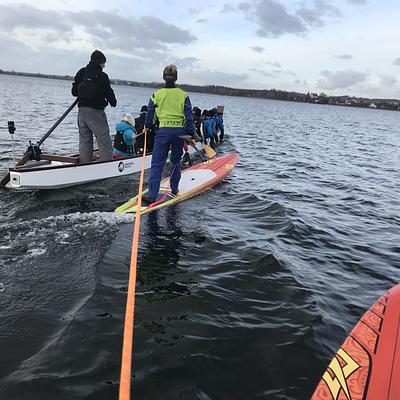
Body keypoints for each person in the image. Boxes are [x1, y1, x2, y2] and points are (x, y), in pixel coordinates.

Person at [141, 64, 194, 205]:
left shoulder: (156, 95)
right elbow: (189, 117)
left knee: (157, 164)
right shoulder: (183, 95)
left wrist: (148, 126)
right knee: (176, 161)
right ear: (176, 78)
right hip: (179, 133)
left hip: (163, 132)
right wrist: (190, 133)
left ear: (164, 77)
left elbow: (150, 113)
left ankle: (152, 194)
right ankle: (174, 189)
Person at [71, 50, 117, 163]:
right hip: (96, 111)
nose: (104, 66)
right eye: (103, 64)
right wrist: (113, 102)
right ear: (100, 63)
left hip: (81, 111)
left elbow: (74, 92)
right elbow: (109, 93)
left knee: (85, 139)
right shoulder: (102, 76)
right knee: (103, 139)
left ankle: (85, 163)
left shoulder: (81, 72)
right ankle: (106, 164)